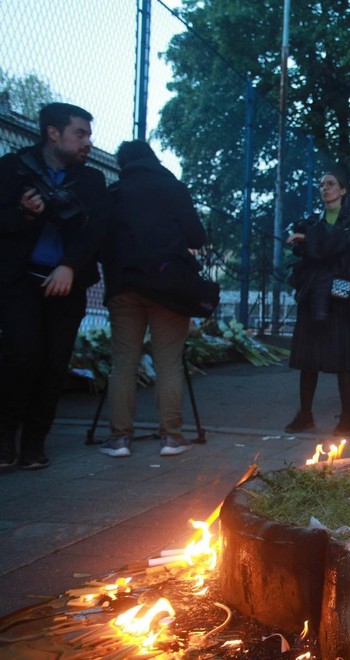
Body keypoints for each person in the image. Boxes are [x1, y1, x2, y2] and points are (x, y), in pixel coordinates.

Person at [0, 102, 109, 470]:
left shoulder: (92, 180)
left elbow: (96, 231)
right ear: (53, 132)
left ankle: (34, 444)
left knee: (53, 363)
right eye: (80, 133)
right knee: (20, 356)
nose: (87, 143)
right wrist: (23, 214)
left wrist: (69, 266)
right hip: (20, 282)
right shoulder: (13, 169)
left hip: (67, 284)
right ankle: (4, 440)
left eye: (88, 135)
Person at [99, 140, 206, 458]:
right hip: (168, 287)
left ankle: (119, 439)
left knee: (123, 364)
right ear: (153, 159)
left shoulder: (115, 192)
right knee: (169, 363)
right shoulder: (173, 188)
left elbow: (102, 241)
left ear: (123, 163)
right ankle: (172, 437)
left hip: (124, 287)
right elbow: (196, 237)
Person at [284, 166, 350, 436]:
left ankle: (347, 417)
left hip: (340, 292)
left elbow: (337, 246)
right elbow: (305, 249)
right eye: (321, 184)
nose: (325, 188)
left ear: (343, 190)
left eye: (331, 184)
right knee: (309, 356)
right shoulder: (312, 220)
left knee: (344, 356)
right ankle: (305, 414)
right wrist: (310, 243)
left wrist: (308, 241)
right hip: (313, 292)